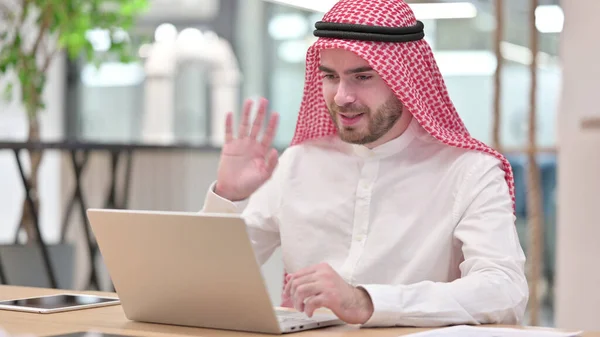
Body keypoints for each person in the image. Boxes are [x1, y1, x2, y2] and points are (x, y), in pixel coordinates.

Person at [200, 0, 528, 328]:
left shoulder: (469, 171)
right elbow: (209, 281)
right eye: (330, 76)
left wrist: (367, 301)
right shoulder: (298, 162)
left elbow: (504, 290)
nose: (342, 96)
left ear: (404, 79)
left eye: (362, 76)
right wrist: (228, 197)